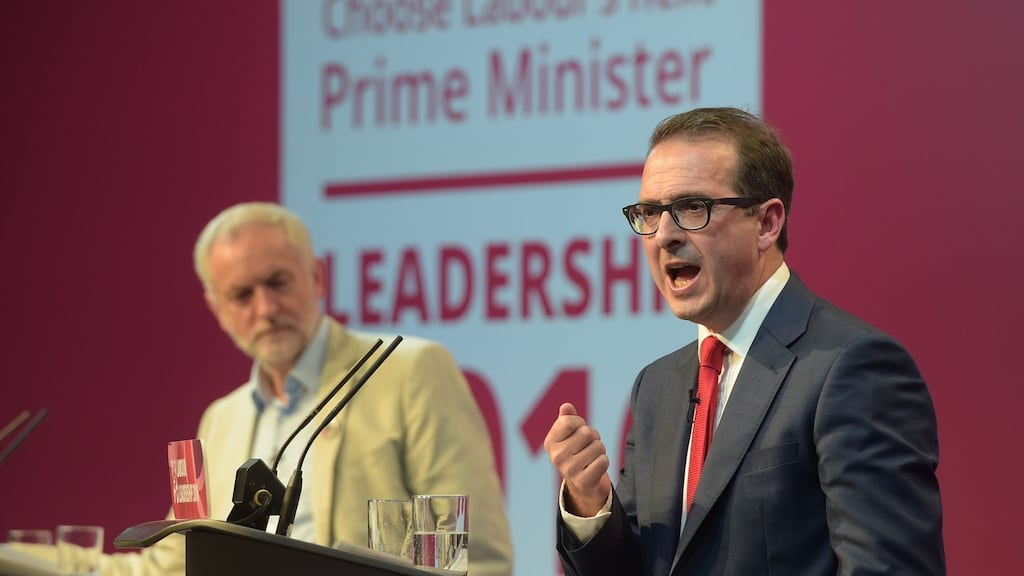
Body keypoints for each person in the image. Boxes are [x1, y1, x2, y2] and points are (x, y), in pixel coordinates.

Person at [543, 107, 945, 575]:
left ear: (766, 223)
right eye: (650, 212)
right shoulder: (656, 387)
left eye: (692, 207)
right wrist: (591, 503)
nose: (665, 235)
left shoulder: (851, 368)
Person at [91, 202, 513, 575]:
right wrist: (54, 561)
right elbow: (171, 566)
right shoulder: (221, 419)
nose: (266, 308)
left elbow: (474, 558)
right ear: (217, 310)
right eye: (242, 295)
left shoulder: (409, 371)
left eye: (278, 283)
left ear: (316, 278)